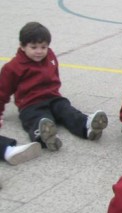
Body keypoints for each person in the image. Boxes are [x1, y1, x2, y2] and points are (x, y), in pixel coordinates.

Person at [0, 22, 108, 151]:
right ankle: (44, 136)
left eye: (43, 47)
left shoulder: (50, 56)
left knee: (67, 110)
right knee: (39, 118)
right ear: (22, 46)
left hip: (53, 98)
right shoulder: (12, 67)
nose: (39, 51)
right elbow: (2, 92)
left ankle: (87, 126)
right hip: (31, 104)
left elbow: (54, 75)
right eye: (33, 47)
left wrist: (55, 92)